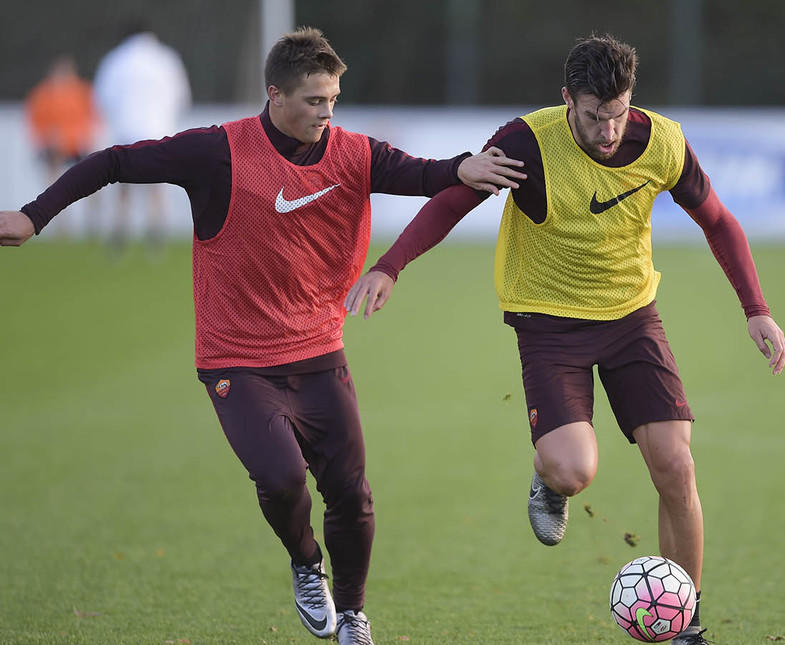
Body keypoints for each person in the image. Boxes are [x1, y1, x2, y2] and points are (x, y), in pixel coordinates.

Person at [0, 27, 525, 645]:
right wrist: (34, 215)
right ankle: (307, 563)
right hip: (237, 361)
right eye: (314, 101)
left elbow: (423, 174)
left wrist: (466, 166)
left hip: (319, 352)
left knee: (352, 496)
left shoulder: (353, 152)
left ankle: (353, 614)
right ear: (275, 94)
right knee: (281, 480)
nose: (327, 114)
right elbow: (113, 161)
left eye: (334, 99)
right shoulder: (216, 152)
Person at [344, 34, 785, 645]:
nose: (608, 131)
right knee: (574, 469)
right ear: (566, 100)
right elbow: (452, 201)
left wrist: (756, 309)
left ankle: (682, 625)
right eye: (592, 116)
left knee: (676, 465)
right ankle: (550, 479)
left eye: (618, 114)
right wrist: (390, 264)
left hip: (632, 317)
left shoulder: (662, 142)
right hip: (547, 322)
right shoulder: (528, 141)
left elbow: (718, 221)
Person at [92, 24, 191, 254]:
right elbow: (182, 97)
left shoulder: (115, 60)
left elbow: (101, 99)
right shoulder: (167, 59)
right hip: (158, 131)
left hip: (126, 130)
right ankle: (156, 236)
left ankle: (119, 234)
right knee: (156, 187)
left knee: (122, 185)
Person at [23, 55, 98, 238]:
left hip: (76, 145)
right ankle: (62, 225)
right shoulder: (43, 94)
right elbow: (35, 122)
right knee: (54, 182)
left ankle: (93, 222)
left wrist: (78, 138)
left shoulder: (81, 92)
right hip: (53, 148)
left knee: (95, 177)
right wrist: (47, 139)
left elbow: (91, 118)